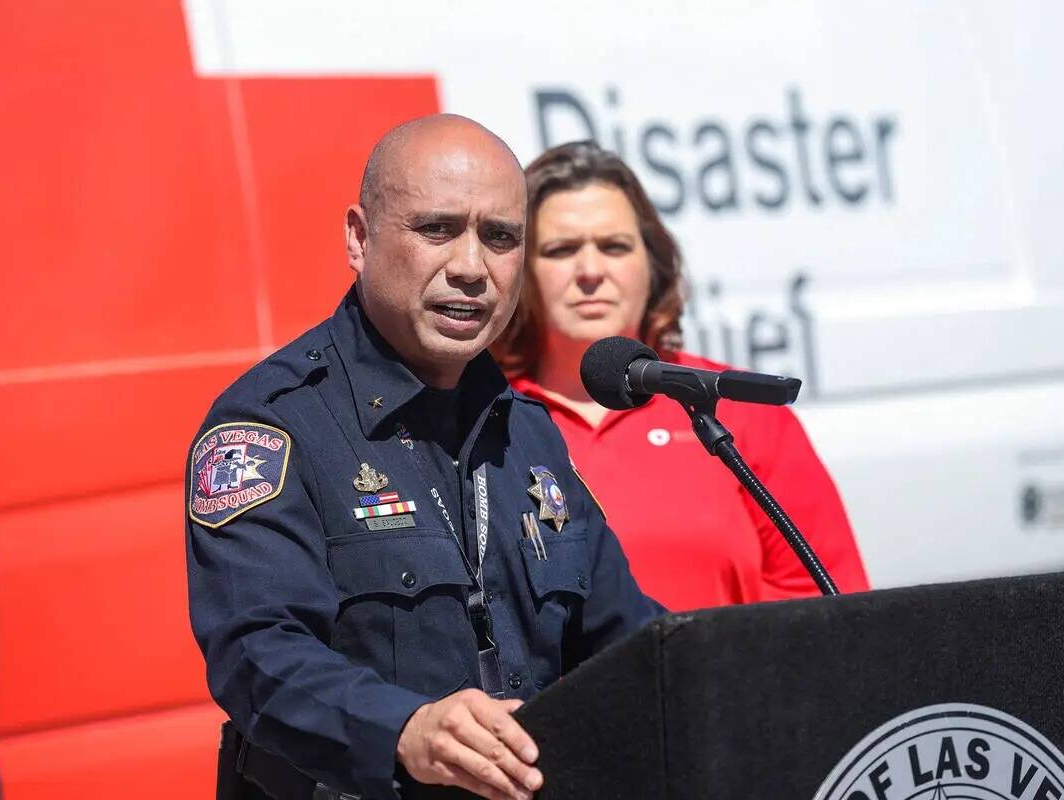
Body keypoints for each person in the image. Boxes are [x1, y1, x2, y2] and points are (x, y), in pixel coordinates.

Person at [185, 117, 663, 800]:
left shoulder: (527, 431)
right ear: (359, 238)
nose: (471, 267)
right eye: (437, 229)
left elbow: (626, 641)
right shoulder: (268, 425)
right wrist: (405, 731)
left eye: (499, 237)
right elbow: (256, 655)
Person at [492, 141, 869, 611]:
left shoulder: (729, 405)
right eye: (561, 250)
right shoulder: (486, 414)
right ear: (519, 269)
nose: (590, 271)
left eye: (614, 246)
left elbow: (831, 604)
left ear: (652, 264)